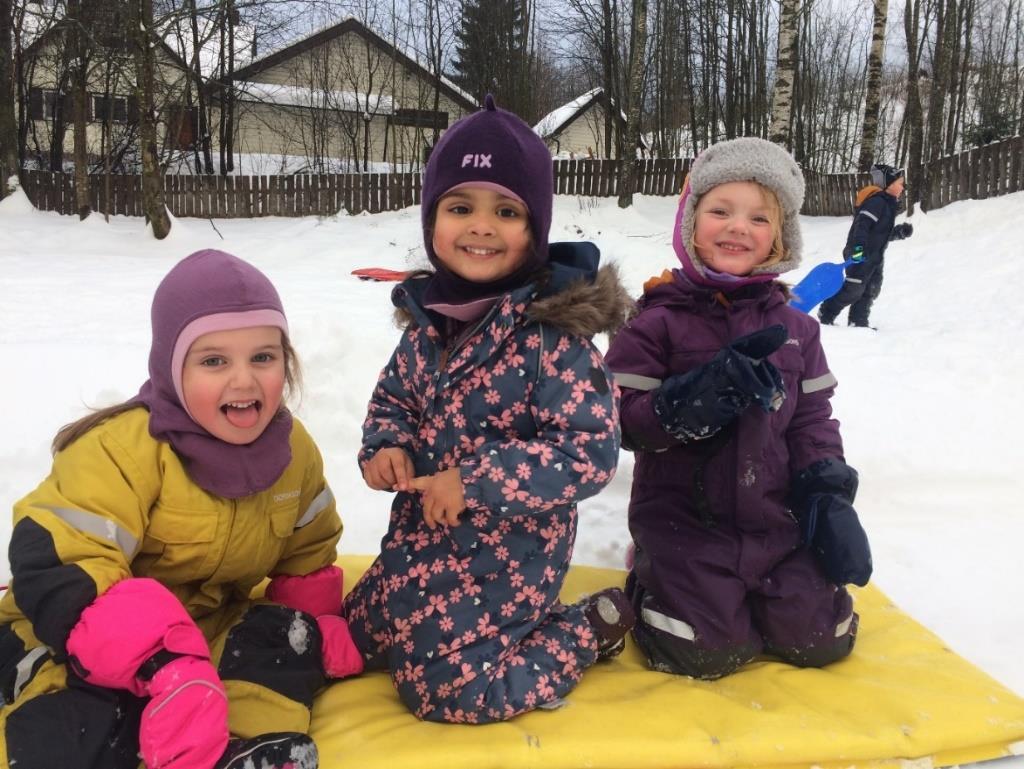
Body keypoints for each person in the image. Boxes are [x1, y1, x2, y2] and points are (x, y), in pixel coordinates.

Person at [0, 249, 363, 769]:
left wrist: (316, 621)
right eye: (214, 360)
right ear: (173, 366)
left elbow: (307, 546)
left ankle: (231, 748)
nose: (244, 381)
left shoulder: (292, 452)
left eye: (263, 357)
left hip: (206, 628)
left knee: (284, 643)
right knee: (86, 717)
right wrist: (165, 662)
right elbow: (67, 566)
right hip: (77, 633)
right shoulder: (123, 452)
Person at [343, 96, 635, 724]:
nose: (480, 226)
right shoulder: (426, 323)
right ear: (432, 222)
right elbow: (393, 401)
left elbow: (588, 452)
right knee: (349, 640)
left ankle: (583, 630)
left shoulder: (553, 339)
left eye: (505, 211)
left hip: (510, 557)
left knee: (445, 693)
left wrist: (474, 482)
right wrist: (385, 447)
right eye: (459, 207)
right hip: (420, 542)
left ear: (534, 230)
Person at [604, 137, 872, 681]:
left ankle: (772, 597)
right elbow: (620, 423)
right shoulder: (655, 320)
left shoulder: (797, 330)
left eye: (758, 217)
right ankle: (651, 573)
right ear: (690, 221)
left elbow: (812, 419)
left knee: (822, 640)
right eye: (719, 210)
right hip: (685, 523)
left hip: (778, 522)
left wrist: (826, 492)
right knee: (706, 650)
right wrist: (685, 403)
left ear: (780, 236)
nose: (737, 227)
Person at [818, 164, 914, 327]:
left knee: (871, 290)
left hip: (875, 256)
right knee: (854, 289)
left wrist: (899, 232)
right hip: (860, 252)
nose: (902, 187)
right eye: (900, 183)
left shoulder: (889, 204)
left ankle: (858, 321)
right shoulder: (876, 202)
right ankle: (826, 312)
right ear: (889, 184)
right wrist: (858, 248)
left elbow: (880, 233)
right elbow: (862, 226)